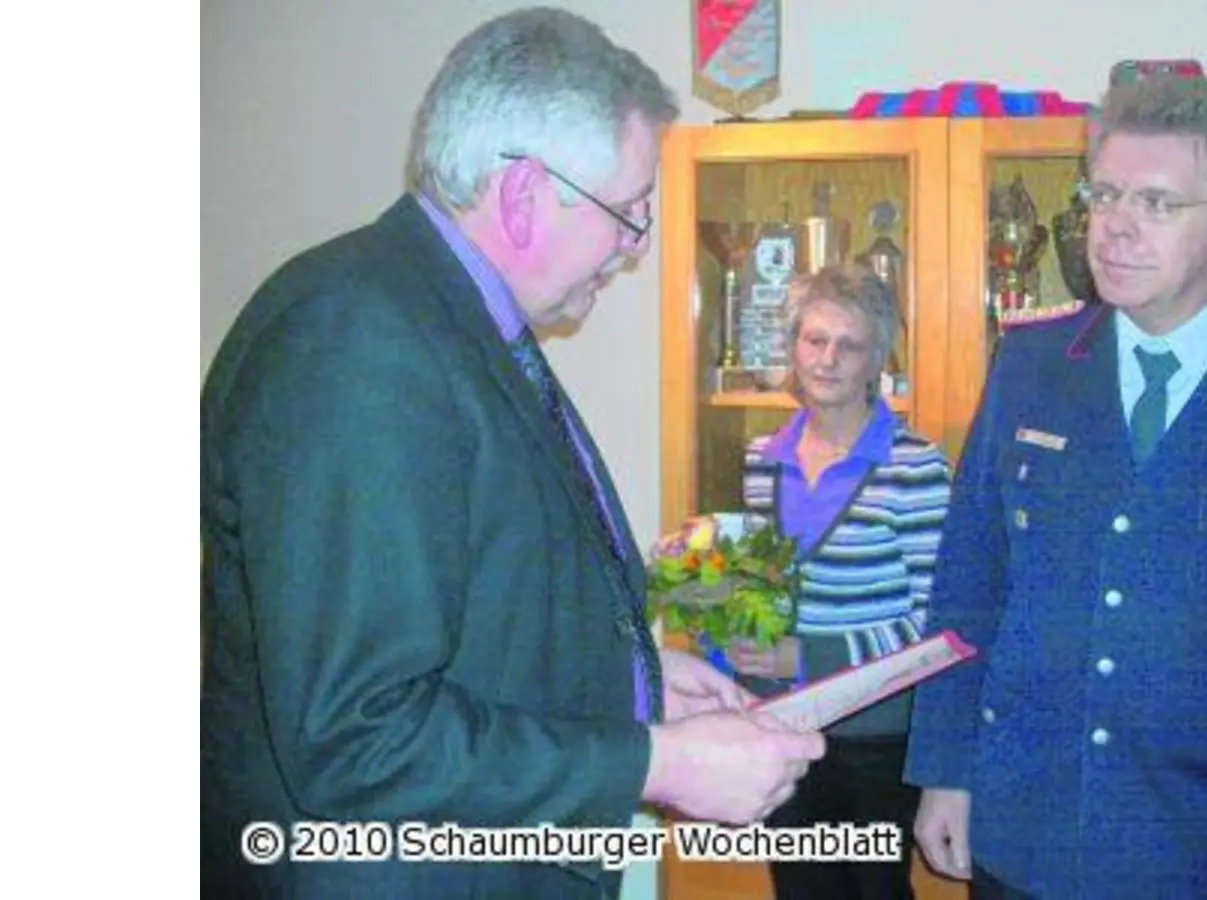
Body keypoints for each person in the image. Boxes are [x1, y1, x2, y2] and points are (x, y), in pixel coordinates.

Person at [200, 8, 824, 898]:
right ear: (526, 194)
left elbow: (480, 610)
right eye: (629, 209)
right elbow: (358, 738)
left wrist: (629, 686)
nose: (636, 246)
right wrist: (650, 762)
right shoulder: (357, 343)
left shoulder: (446, 323)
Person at [904, 74, 1207, 900]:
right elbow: (970, 580)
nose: (1117, 227)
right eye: (1105, 195)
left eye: (1159, 204)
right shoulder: (1031, 364)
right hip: (1027, 830)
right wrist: (946, 767)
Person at [724, 263, 953, 900]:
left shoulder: (915, 467)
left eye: (847, 345)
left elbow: (934, 625)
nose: (826, 359)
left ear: (876, 359)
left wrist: (809, 654)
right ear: (793, 348)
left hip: (875, 738)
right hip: (781, 728)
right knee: (799, 892)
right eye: (813, 340)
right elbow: (765, 593)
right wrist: (731, 630)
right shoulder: (761, 460)